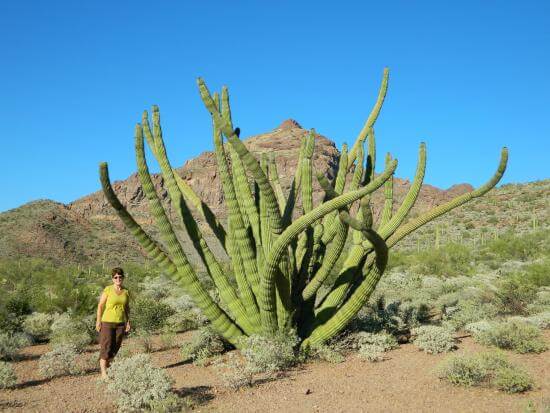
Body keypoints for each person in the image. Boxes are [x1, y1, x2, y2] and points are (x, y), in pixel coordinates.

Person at [96, 267, 131, 379]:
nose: (118, 279)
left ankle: (109, 369)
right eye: (115, 277)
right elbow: (100, 306)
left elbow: (126, 308)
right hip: (107, 322)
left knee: (115, 347)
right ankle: (103, 373)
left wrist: (128, 322)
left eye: (120, 277)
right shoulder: (108, 289)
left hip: (120, 323)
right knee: (106, 347)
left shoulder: (126, 292)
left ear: (123, 278)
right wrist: (98, 321)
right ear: (112, 279)